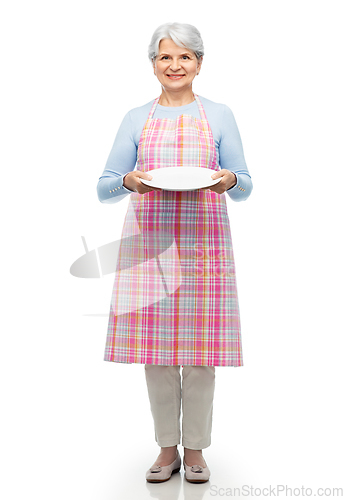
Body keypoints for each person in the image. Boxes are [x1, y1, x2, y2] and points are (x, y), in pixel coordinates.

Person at [97, 22, 253, 483]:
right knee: (158, 354)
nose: (175, 65)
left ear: (199, 64)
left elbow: (244, 185)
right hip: (150, 250)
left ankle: (197, 450)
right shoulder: (135, 118)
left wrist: (229, 180)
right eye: (165, 57)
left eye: (185, 57)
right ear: (153, 65)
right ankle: (167, 450)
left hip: (206, 249)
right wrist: (128, 181)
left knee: (202, 355)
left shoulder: (220, 114)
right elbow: (105, 186)